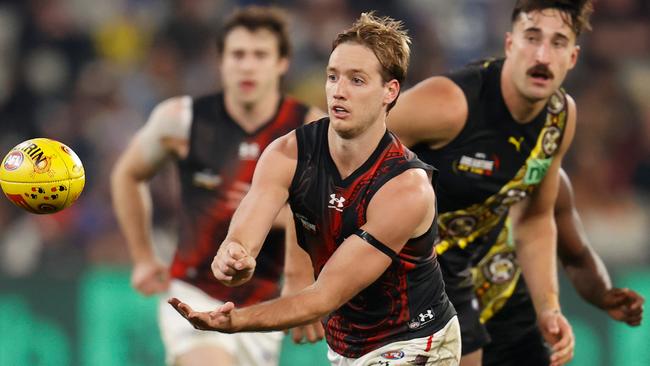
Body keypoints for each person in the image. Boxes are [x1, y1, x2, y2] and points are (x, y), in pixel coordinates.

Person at [169, 12, 462, 365]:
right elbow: (245, 233)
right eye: (333, 76)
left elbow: (324, 297)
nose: (339, 91)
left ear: (390, 90)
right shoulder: (287, 153)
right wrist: (234, 257)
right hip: (346, 349)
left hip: (417, 341)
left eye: (357, 80)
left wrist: (235, 321)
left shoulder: (405, 188)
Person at [110, 6, 324, 366]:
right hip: (195, 294)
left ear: (282, 63)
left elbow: (332, 208)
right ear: (221, 62)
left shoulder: (311, 128)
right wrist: (143, 257)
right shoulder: (181, 119)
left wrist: (304, 282)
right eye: (237, 55)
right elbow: (127, 174)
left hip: (265, 308)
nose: (247, 65)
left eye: (260, 55)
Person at [387, 1, 596, 365]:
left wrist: (549, 307)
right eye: (532, 38)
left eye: (558, 42)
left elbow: (534, 218)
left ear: (573, 57)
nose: (543, 55)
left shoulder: (560, 117)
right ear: (510, 44)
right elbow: (346, 147)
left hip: (477, 274)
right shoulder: (450, 104)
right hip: (411, 274)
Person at [473, 168, 645, 366]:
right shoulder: (450, 169)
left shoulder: (546, 176)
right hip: (452, 320)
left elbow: (576, 257)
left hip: (517, 330)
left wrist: (603, 294)